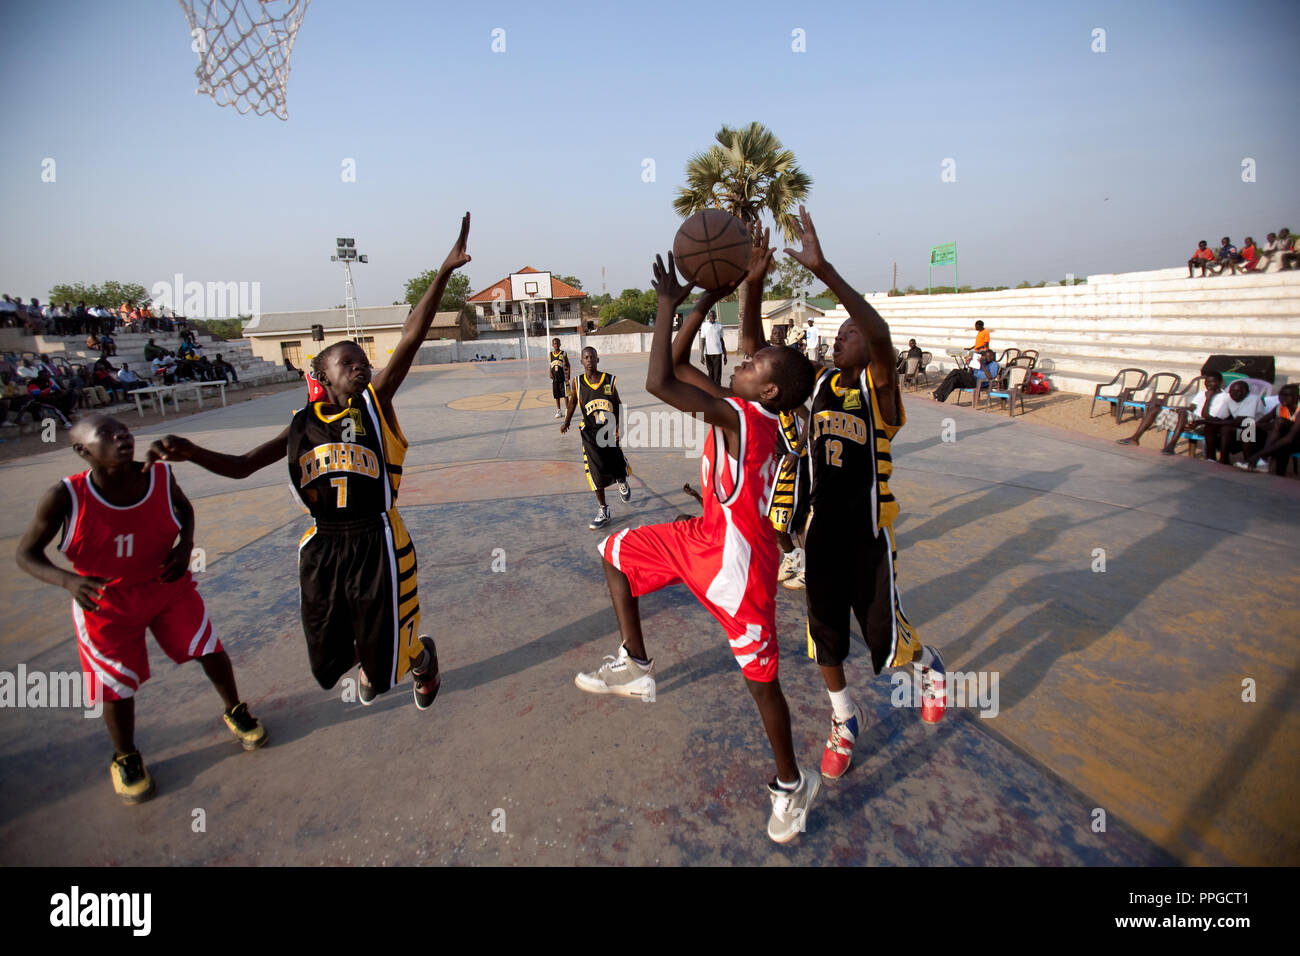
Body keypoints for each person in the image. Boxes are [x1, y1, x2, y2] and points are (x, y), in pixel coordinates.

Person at [146, 213, 470, 709]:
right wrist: (192, 452)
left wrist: (444, 270)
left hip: (378, 536)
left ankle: (423, 662)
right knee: (327, 656)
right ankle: (373, 657)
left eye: (363, 360)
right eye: (348, 362)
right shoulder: (301, 425)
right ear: (322, 374)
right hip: (325, 544)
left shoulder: (374, 403)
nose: (360, 366)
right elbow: (243, 465)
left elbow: (411, 337)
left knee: (390, 663)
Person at [575, 227, 819, 843]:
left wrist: (666, 304)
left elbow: (660, 381)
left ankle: (791, 785)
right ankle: (635, 661)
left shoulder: (745, 418)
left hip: (740, 569)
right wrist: (720, 297)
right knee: (615, 553)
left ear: (765, 389)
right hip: (703, 537)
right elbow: (685, 364)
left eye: (753, 364)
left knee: (763, 687)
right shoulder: (750, 405)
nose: (742, 358)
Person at [15, 414, 266, 804]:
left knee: (209, 648)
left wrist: (185, 546)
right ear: (84, 451)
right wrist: (68, 580)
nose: (122, 438)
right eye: (108, 435)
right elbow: (25, 554)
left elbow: (184, 510)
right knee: (114, 685)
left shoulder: (159, 477)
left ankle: (235, 709)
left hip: (166, 586)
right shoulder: (65, 496)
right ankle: (126, 756)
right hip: (105, 601)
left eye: (125, 431)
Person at [780, 206, 946, 781]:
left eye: (849, 334)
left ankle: (930, 669)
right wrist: (752, 287)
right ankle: (844, 721)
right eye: (839, 332)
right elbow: (765, 361)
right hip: (823, 533)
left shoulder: (883, 394)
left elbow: (878, 333)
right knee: (823, 635)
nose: (841, 337)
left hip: (870, 535)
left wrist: (824, 271)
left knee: (884, 637)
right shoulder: (822, 386)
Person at [561, 346, 631, 529]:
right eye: (586, 357)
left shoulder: (608, 379)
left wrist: (617, 424)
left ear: (598, 359)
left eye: (592, 356)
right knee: (594, 469)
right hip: (590, 433)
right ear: (581, 362)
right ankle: (603, 509)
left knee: (614, 461)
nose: (589, 359)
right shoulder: (578, 382)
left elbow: (617, 403)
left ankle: (622, 479)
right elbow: (573, 404)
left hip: (608, 429)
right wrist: (567, 422)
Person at [1237, 384, 1300, 475]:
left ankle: (1262, 459)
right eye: (1281, 395)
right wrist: (1270, 426)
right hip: (1283, 440)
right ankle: (1250, 461)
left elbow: (1289, 438)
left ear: (1297, 397)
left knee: (1279, 423)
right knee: (1251, 429)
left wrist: (1259, 454)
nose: (1283, 398)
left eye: (1287, 395)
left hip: (1295, 441)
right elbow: (1260, 423)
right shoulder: (1280, 407)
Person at [1203, 379, 1267, 465]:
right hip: (1240, 428)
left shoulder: (1253, 399)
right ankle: (1213, 458)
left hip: (1257, 431)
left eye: (1239, 391)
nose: (1235, 393)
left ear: (1247, 392)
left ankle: (1248, 461)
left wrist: (1206, 422)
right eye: (1232, 391)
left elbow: (1240, 421)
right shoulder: (1229, 398)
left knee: (1238, 427)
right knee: (1210, 427)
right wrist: (1204, 422)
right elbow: (1219, 418)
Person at [931, 348, 1000, 403]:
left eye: (989, 356)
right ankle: (939, 397)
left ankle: (937, 393)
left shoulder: (994, 364)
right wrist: (970, 365)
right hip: (972, 379)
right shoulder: (982, 362)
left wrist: (982, 365)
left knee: (956, 371)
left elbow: (990, 377)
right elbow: (970, 373)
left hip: (979, 382)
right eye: (986, 356)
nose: (987, 358)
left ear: (992, 356)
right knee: (954, 379)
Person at [699, 309, 727, 385]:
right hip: (708, 353)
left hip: (718, 352)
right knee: (710, 372)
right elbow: (702, 340)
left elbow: (722, 340)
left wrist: (725, 355)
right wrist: (701, 355)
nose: (712, 317)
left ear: (715, 316)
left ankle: (718, 389)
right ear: (708, 316)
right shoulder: (704, 325)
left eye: (713, 315)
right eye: (711, 315)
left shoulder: (719, 325)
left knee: (717, 373)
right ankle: (711, 389)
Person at [547, 337, 571, 419]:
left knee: (565, 394)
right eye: (554, 343)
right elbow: (550, 365)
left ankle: (567, 410)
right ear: (552, 345)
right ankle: (558, 410)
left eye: (557, 343)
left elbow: (568, 365)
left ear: (560, 344)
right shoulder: (550, 354)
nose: (556, 345)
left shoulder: (563, 353)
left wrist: (568, 374)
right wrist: (550, 372)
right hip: (555, 378)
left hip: (563, 377)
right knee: (556, 395)